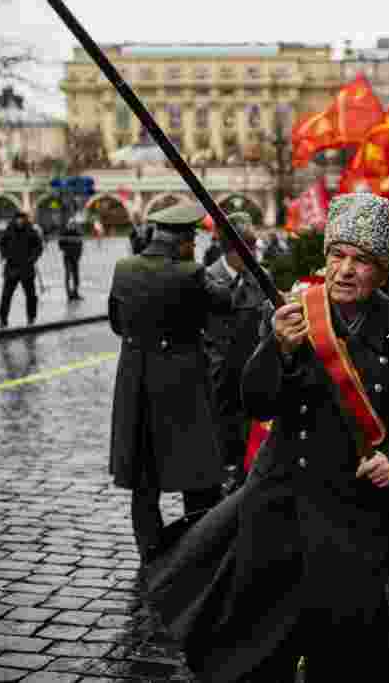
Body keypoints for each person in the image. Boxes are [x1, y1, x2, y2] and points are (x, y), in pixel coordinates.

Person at [185, 192, 389, 681]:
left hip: (355, 513)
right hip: (279, 504)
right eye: (337, 255)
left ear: (383, 270)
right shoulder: (294, 314)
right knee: (263, 646)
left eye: (360, 260)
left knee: (350, 651)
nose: (344, 270)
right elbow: (256, 402)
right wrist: (275, 348)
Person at [108, 202, 235, 562]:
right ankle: (198, 547)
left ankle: (149, 548)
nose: (193, 246)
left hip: (136, 377)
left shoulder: (123, 268)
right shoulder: (191, 272)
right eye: (191, 240)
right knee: (197, 467)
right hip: (183, 379)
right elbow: (224, 302)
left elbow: (117, 323)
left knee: (143, 471)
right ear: (182, 241)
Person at [203, 212, 266, 494]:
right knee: (220, 440)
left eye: (253, 249)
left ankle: (243, 489)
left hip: (250, 371)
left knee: (247, 441)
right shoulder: (206, 278)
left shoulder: (260, 278)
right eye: (247, 250)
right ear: (231, 251)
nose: (253, 256)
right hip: (218, 375)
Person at [0, 212, 44, 328]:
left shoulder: (30, 231)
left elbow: (38, 247)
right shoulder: (9, 230)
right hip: (11, 267)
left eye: (21, 219)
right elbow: (1, 243)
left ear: (25, 220)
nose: (19, 221)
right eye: (18, 219)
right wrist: (6, 255)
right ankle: (3, 319)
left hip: (26, 268)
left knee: (31, 295)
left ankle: (31, 318)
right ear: (15, 220)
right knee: (6, 295)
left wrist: (32, 259)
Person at [58, 217, 85, 301]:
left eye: (73, 224)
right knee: (68, 275)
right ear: (68, 225)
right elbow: (60, 244)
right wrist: (67, 249)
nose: (72, 226)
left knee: (76, 276)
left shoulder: (78, 233)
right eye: (70, 224)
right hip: (67, 258)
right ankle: (69, 294)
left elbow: (80, 245)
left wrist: (78, 255)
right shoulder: (64, 233)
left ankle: (75, 292)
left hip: (75, 258)